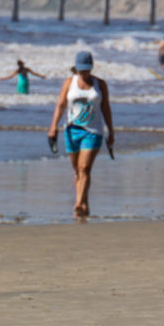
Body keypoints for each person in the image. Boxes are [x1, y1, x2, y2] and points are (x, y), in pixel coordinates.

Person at [47, 50, 113, 217]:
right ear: (76, 68)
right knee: (78, 170)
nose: (84, 73)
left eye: (87, 69)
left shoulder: (100, 84)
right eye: (81, 70)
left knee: (84, 168)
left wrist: (111, 131)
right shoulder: (69, 83)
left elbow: (106, 109)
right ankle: (84, 205)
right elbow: (60, 105)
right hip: (71, 131)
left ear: (91, 68)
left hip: (93, 132)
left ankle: (77, 204)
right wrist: (53, 126)